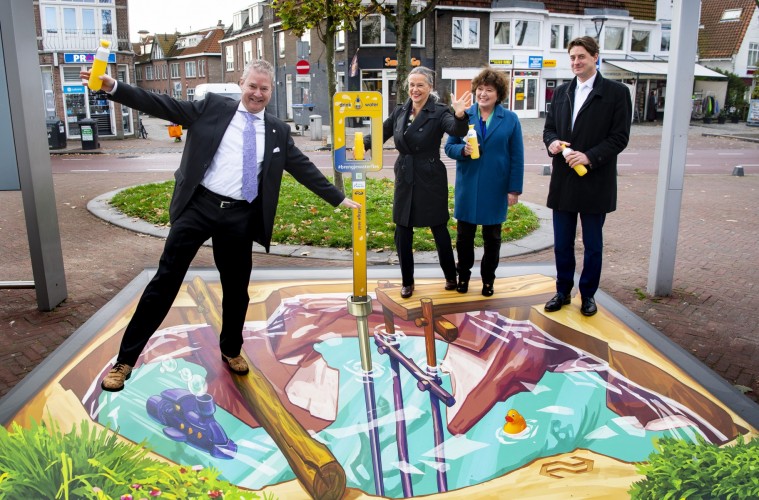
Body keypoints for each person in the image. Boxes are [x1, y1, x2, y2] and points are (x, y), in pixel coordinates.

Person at [81, 60, 360, 392]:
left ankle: (230, 349)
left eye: (264, 88)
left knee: (237, 288)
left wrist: (337, 198)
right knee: (165, 280)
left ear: (272, 92)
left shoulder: (277, 130)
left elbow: (301, 166)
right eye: (252, 85)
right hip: (199, 206)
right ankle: (125, 360)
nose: (257, 93)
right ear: (241, 83)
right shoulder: (213, 107)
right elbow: (163, 104)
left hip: (240, 216)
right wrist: (114, 87)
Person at [363, 66, 471, 299]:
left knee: (438, 227)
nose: (415, 89)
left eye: (420, 85)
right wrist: (364, 143)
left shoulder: (440, 111)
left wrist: (460, 114)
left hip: (430, 176)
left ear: (430, 87)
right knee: (403, 229)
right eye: (412, 85)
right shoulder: (401, 110)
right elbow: (382, 132)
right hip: (405, 174)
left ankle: (451, 276)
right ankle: (407, 281)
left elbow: (456, 129)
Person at [542, 36, 632, 316]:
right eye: (572, 57)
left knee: (593, 244)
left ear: (595, 57)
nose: (576, 62)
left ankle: (588, 295)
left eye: (581, 56)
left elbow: (620, 138)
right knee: (562, 243)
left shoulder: (617, 93)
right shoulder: (560, 92)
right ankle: (562, 291)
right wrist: (552, 143)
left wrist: (590, 157)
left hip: (595, 181)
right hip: (564, 180)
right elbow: (549, 129)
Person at [444, 67, 524, 297]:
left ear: (498, 94)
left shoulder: (510, 119)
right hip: (468, 187)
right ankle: (464, 277)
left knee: (493, 239)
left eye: (489, 90)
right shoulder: (464, 114)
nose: (483, 94)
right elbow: (449, 147)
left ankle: (488, 280)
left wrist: (514, 189)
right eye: (480, 89)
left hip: (495, 188)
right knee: (464, 238)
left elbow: (517, 157)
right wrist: (463, 150)